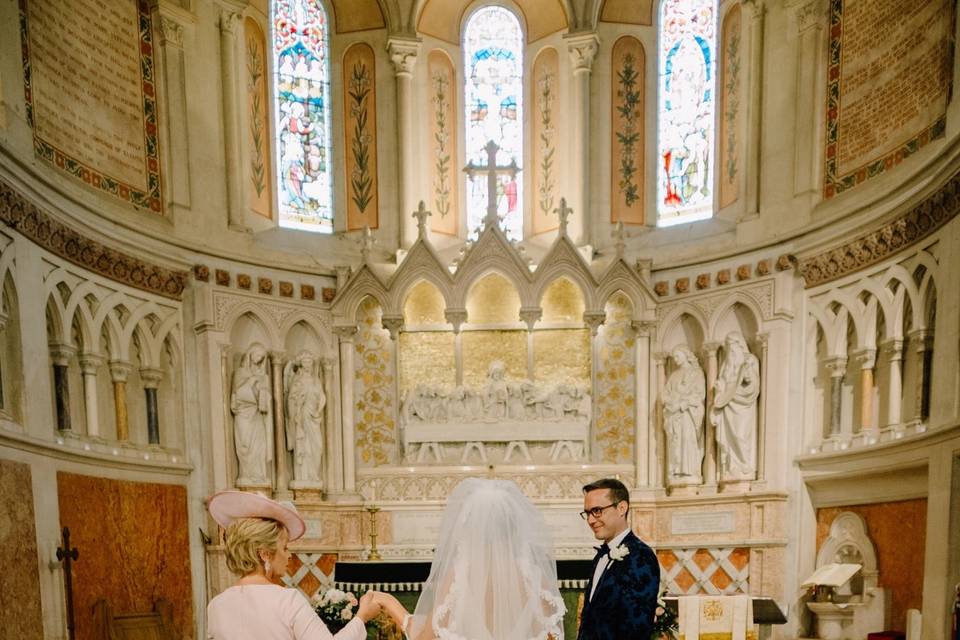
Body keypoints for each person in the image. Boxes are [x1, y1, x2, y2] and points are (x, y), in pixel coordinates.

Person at [376, 478, 566, 639]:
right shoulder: (535, 578)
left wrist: (389, 603)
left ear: (471, 529)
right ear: (514, 528)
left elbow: (425, 637)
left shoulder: (458, 576)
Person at [206, 491, 382, 639]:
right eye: (285, 547)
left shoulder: (216, 605)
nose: (289, 555)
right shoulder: (287, 600)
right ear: (265, 554)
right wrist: (362, 616)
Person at [577, 478, 660, 640]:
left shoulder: (641, 556)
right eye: (587, 513)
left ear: (622, 508)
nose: (590, 520)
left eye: (597, 511)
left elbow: (637, 629)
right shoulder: (601, 555)